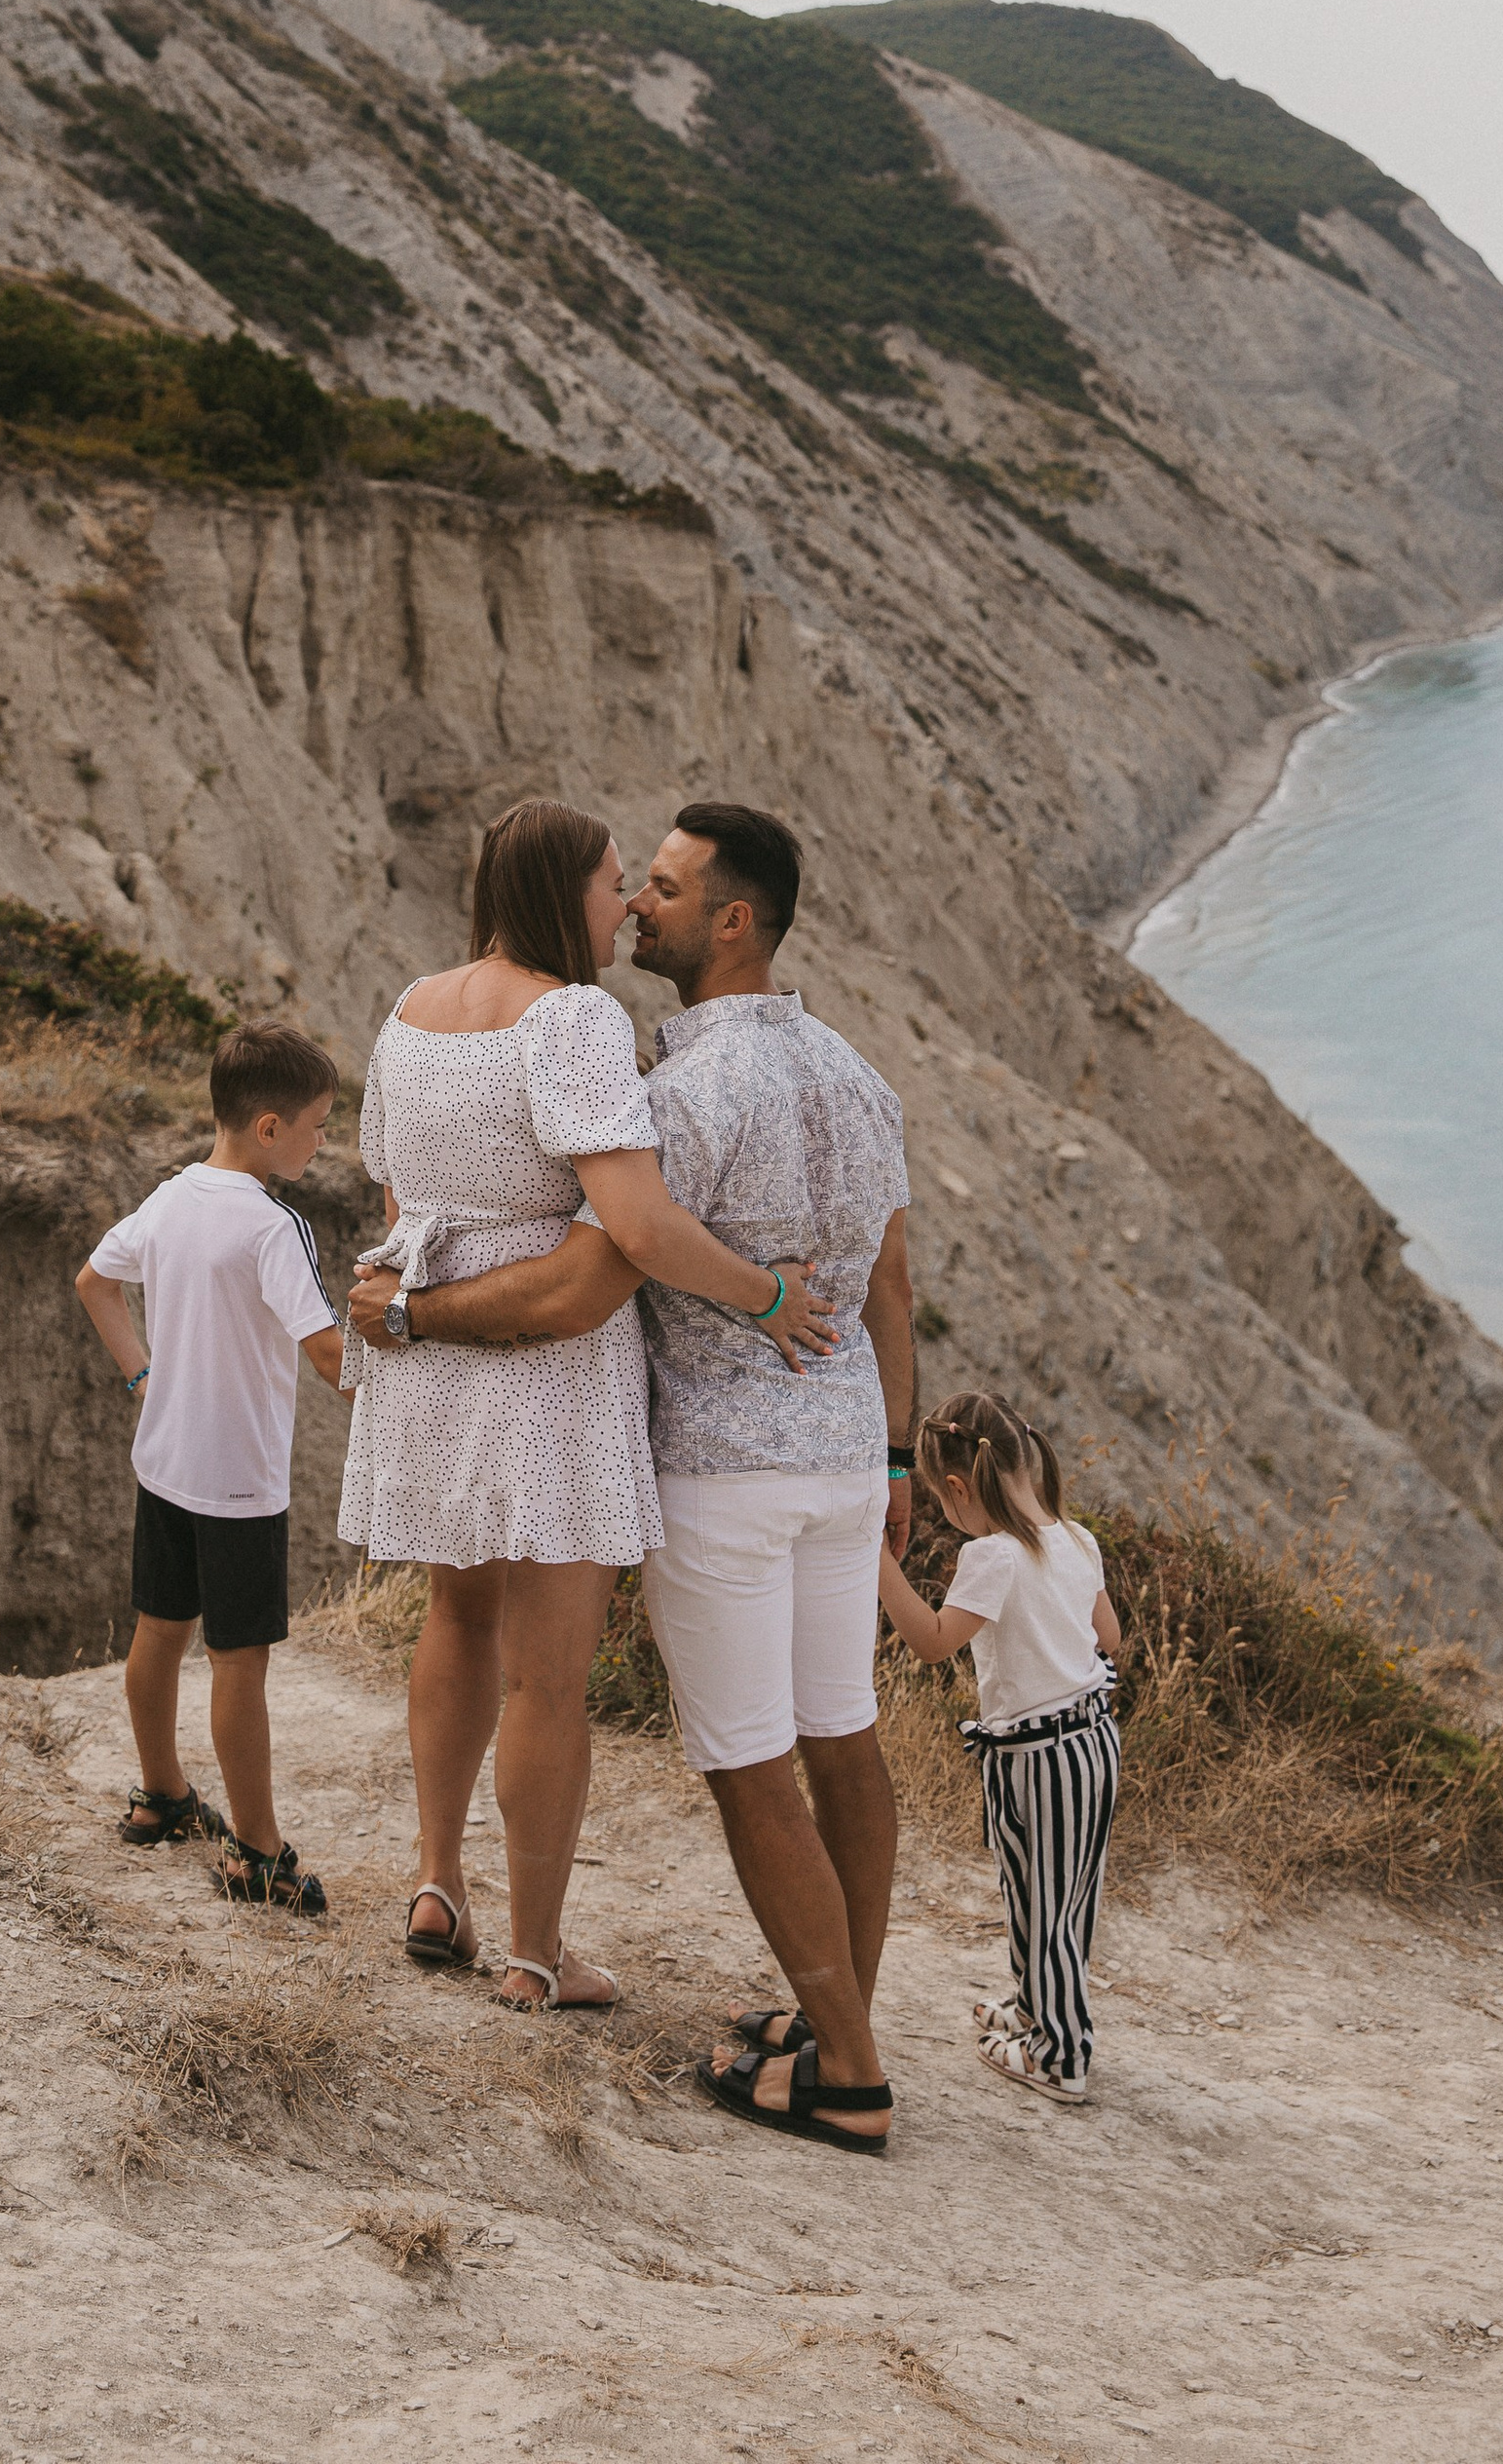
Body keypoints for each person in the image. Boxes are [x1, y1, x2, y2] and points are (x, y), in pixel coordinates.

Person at [351, 803, 914, 2157]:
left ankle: (845, 2069)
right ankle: (839, 2016)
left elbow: (596, 1271)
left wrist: (409, 1310)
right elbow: (893, 1276)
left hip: (725, 1464)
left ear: (731, 919)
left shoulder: (660, 1091)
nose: (636, 910)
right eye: (626, 886)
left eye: (659, 891)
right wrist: (894, 1448)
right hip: (839, 1454)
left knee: (744, 1765)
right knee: (841, 1740)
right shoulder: (854, 1072)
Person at [74, 1018, 350, 1916]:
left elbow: (94, 1281)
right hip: (238, 1481)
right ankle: (258, 1853)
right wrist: (408, 1415)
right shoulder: (276, 1225)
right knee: (241, 1662)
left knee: (160, 1631)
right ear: (269, 1128)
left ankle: (160, 1794)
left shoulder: (169, 1199)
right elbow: (325, 1352)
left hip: (165, 1462)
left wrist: (145, 1376)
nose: (323, 1140)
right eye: (317, 1124)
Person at [876, 1391, 1122, 2108]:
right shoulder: (1078, 1540)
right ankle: (1036, 2006)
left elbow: (931, 1642)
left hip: (1039, 1756)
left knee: (1040, 1904)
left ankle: (1061, 2056)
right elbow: (1109, 1638)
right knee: (1059, 1896)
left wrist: (874, 1557)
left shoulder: (991, 1556)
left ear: (956, 1490)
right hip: (1090, 1742)